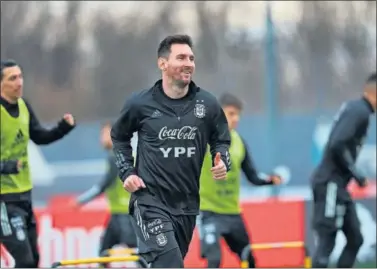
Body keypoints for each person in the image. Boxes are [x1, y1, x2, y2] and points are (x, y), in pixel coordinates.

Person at [111, 34, 231, 268]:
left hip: (187, 205)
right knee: (171, 264)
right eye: (181, 57)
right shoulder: (140, 104)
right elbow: (119, 136)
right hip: (150, 201)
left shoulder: (207, 104)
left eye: (191, 58)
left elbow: (221, 140)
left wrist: (222, 159)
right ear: (163, 64)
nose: (188, 63)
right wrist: (127, 172)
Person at [0, 59, 75, 268]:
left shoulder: (24, 106)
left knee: (33, 260)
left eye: (20, 76)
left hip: (24, 195)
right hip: (3, 201)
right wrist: (5, 167)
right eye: (12, 78)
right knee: (23, 259)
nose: (19, 82)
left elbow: (40, 136)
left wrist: (63, 127)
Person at [198, 93, 282, 268]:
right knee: (214, 260)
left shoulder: (239, 142)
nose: (235, 119)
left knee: (249, 259)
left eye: (238, 114)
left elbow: (252, 176)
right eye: (230, 113)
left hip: (232, 213)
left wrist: (269, 181)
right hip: (208, 212)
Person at [310, 72, 376, 268]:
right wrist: (357, 174)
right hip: (329, 182)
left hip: (339, 186)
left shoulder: (358, 110)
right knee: (326, 242)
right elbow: (337, 144)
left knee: (355, 238)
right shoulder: (360, 112)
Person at [71, 121, 137, 267]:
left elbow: (104, 184)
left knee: (135, 252)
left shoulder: (116, 157)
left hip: (124, 213)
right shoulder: (122, 154)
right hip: (119, 213)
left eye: (105, 134)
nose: (102, 138)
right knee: (105, 252)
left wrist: (81, 200)